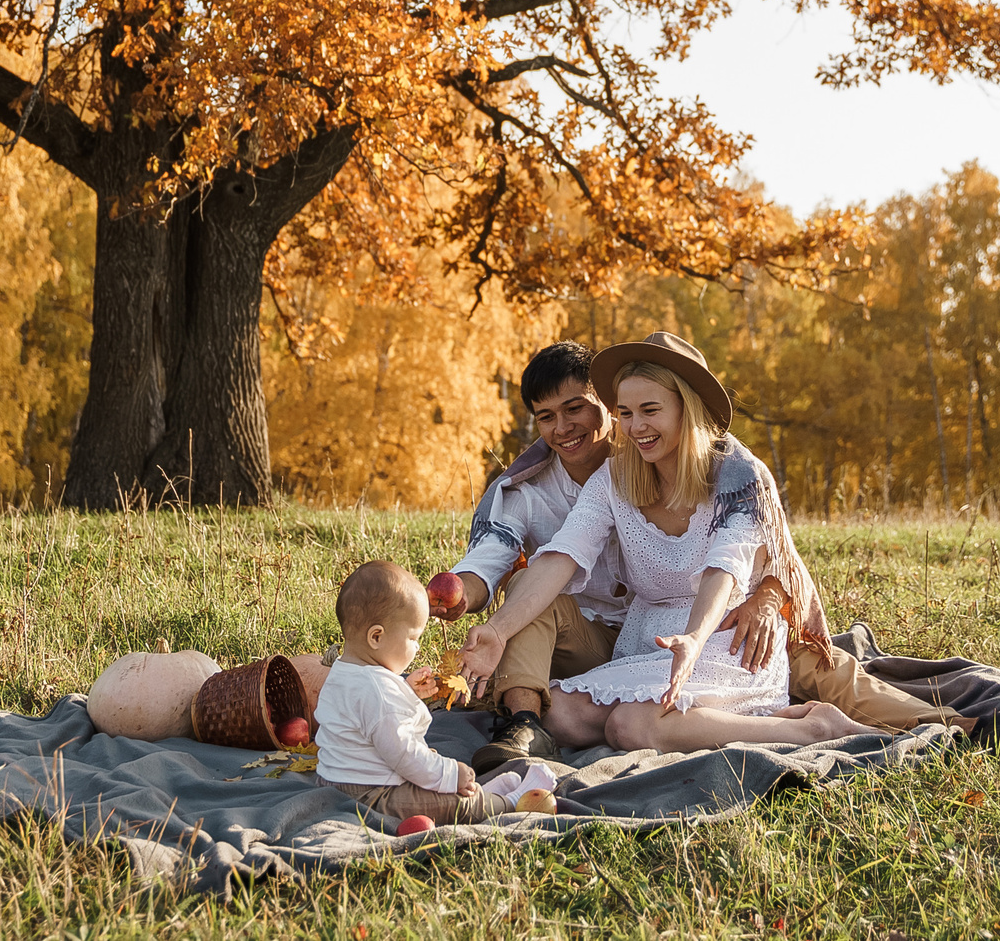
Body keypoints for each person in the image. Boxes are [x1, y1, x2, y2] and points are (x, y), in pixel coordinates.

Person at [460, 335, 871, 753]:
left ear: (685, 408)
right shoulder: (612, 479)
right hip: (643, 645)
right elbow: (563, 555)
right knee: (560, 714)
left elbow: (725, 570)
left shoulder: (737, 477)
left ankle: (814, 729)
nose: (636, 427)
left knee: (630, 726)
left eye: (650, 411)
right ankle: (744, 722)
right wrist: (496, 631)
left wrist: (693, 639)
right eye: (626, 413)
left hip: (724, 640)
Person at [433, 342, 632, 772]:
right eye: (546, 417)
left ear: (608, 404)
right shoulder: (528, 492)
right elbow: (490, 559)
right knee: (528, 583)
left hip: (655, 634)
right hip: (584, 643)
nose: (562, 427)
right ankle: (523, 727)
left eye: (574, 408)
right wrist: (454, 596)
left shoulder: (648, 464)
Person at [312, 561, 510, 825]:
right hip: (373, 792)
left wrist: (404, 690)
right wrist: (452, 775)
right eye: (413, 638)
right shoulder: (379, 692)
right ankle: (508, 802)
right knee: (457, 803)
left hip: (333, 780)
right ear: (376, 637)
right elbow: (404, 754)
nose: (417, 648)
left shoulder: (343, 670)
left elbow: (364, 716)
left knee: (431, 769)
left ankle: (491, 793)